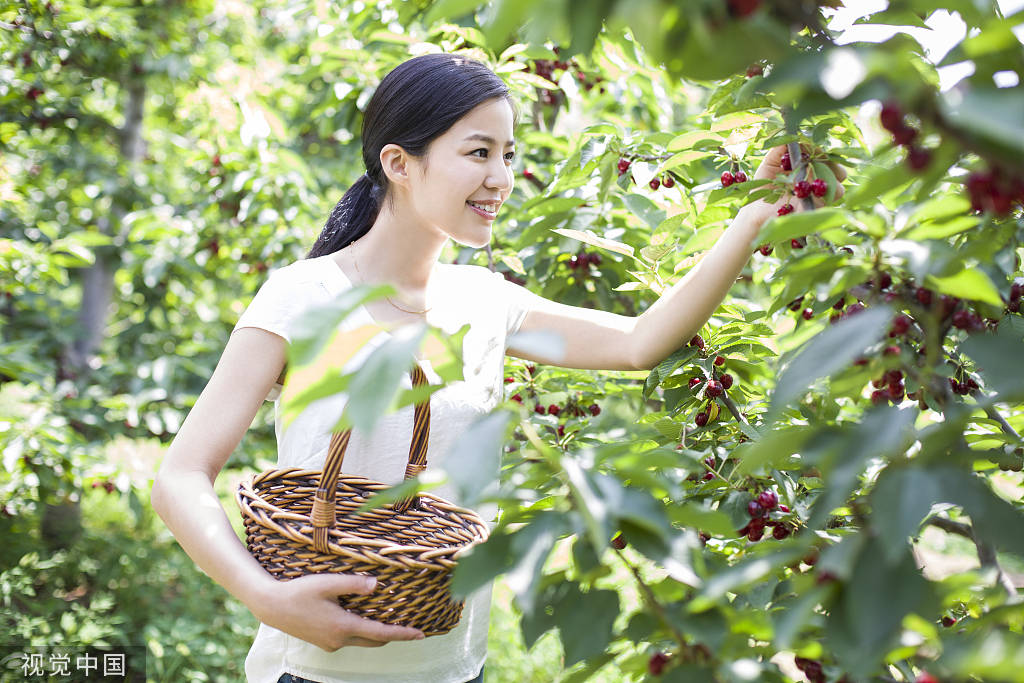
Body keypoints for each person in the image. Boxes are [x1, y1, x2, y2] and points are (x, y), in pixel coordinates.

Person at [151, 53, 841, 683]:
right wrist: (267, 597)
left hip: (453, 668)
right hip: (314, 672)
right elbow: (180, 475)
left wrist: (751, 215)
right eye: (478, 152)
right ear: (399, 162)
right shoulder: (303, 297)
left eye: (509, 154)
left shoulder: (484, 302)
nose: (501, 179)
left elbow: (639, 342)